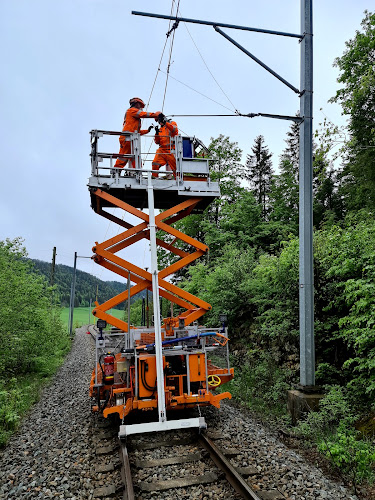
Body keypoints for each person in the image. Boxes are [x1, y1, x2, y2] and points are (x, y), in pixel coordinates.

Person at [114, 97, 161, 170]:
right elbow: (143, 114)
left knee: (134, 157)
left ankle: (137, 172)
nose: (140, 108)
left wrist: (147, 130)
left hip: (130, 138)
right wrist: (156, 115)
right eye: (140, 105)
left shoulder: (133, 116)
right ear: (136, 104)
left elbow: (137, 132)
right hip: (128, 138)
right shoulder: (132, 111)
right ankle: (116, 171)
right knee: (124, 157)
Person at [152, 113, 179, 179]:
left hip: (171, 149)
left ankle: (178, 180)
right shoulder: (160, 128)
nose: (159, 122)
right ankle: (154, 178)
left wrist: (165, 123)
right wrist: (157, 133)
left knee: (175, 167)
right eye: (158, 121)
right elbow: (157, 142)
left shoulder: (172, 123)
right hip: (162, 150)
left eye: (159, 120)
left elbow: (175, 130)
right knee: (155, 163)